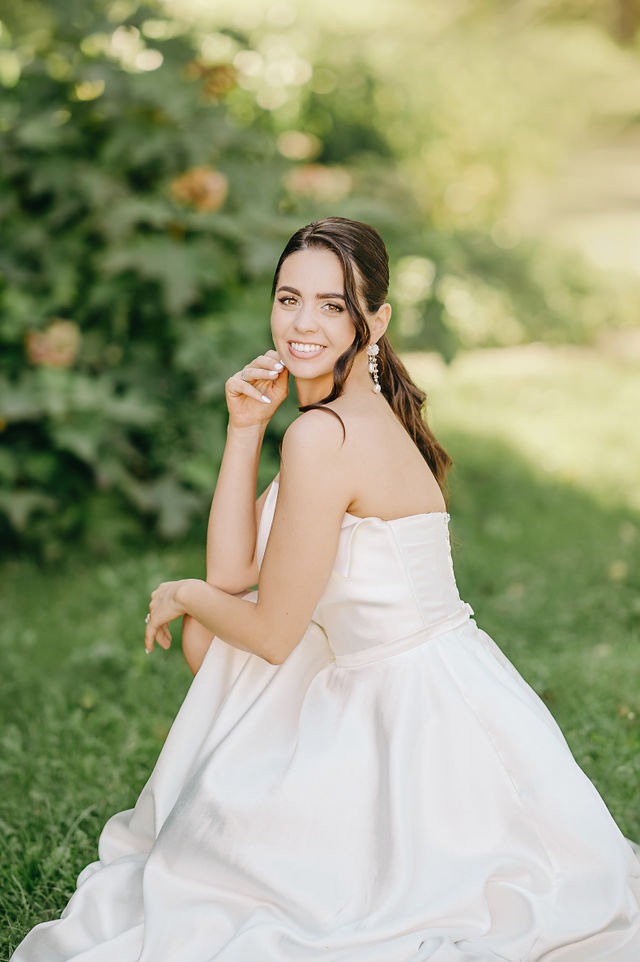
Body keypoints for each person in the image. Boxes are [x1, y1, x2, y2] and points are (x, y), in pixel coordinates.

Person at [11, 217, 640, 962]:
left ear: (375, 322)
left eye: (332, 305)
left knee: (221, 634)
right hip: (429, 679)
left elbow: (268, 630)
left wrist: (180, 593)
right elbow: (235, 573)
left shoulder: (325, 436)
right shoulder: (344, 420)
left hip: (415, 716)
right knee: (220, 631)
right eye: (289, 299)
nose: (303, 323)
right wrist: (245, 428)